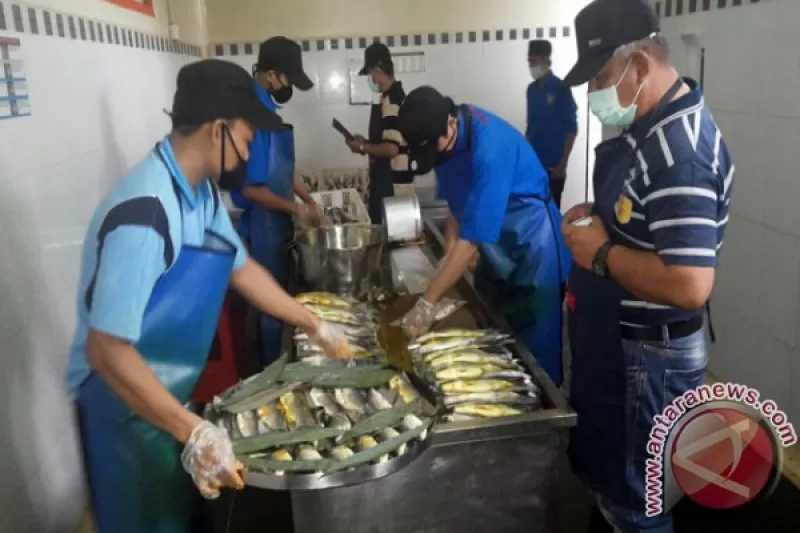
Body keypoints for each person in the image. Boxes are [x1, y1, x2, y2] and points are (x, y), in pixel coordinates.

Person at [66, 59, 351, 533]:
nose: (247, 155)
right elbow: (107, 350)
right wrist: (194, 431)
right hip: (119, 409)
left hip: (167, 396)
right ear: (217, 130)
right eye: (246, 141)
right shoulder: (145, 214)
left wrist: (314, 324)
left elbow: (243, 269)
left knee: (185, 518)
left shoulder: (200, 196)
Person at [560, 1, 734, 531]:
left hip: (650, 360)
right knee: (614, 486)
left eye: (600, 79)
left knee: (639, 503)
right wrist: (601, 219)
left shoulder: (681, 150)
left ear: (638, 65)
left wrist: (601, 253)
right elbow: (648, 220)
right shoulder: (646, 124)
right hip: (621, 346)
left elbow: (690, 284)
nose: (594, 94)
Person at [397, 86, 571, 387]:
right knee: (495, 331)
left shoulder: (490, 147)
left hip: (533, 243)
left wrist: (427, 302)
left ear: (451, 123)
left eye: (434, 150)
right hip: (494, 243)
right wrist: (449, 256)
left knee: (536, 344)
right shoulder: (443, 141)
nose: (434, 158)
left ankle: (546, 409)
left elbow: (471, 242)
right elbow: (456, 209)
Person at [230, 37, 320, 366]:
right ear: (271, 75)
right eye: (288, 79)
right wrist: (297, 209)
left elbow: (280, 168)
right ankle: (272, 370)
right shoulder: (253, 116)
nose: (289, 87)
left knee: (279, 297)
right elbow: (251, 189)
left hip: (277, 220)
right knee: (271, 305)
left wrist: (307, 198)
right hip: (263, 225)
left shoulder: (267, 108)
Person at [347, 42, 413, 222]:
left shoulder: (392, 100)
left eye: (370, 74)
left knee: (389, 233)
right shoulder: (389, 98)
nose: (371, 79)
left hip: (392, 187)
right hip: (385, 182)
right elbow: (388, 140)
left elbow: (391, 148)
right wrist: (366, 142)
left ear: (377, 70)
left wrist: (362, 147)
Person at [526, 39, 578, 209]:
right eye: (529, 61)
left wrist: (563, 164)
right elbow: (530, 126)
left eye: (535, 61)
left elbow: (571, 128)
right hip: (535, 166)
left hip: (554, 168)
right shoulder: (531, 90)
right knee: (535, 211)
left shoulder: (561, 88)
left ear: (547, 62)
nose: (531, 66)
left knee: (553, 212)